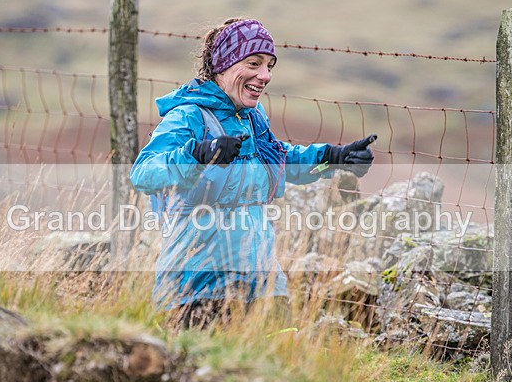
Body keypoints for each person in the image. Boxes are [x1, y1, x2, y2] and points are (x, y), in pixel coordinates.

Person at [130, 18, 374, 328]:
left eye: (270, 65)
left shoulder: (252, 117)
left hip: (264, 284)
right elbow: (143, 172)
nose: (265, 75)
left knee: (280, 367)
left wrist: (333, 158)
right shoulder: (189, 115)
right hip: (197, 290)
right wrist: (197, 155)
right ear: (224, 64)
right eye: (254, 63)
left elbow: (278, 158)